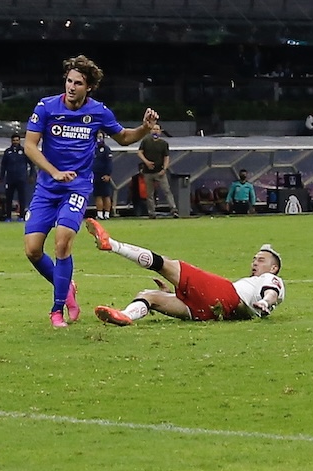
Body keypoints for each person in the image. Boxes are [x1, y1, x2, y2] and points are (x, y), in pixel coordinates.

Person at [23, 54, 157, 328]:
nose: (71, 87)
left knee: (62, 242)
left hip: (78, 187)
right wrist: (54, 172)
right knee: (33, 251)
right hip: (48, 188)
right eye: (69, 81)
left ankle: (57, 309)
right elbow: (29, 145)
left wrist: (144, 128)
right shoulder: (46, 107)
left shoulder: (98, 112)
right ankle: (67, 287)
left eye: (78, 83)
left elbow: (123, 138)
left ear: (89, 87)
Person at [85, 218, 284, 325]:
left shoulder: (271, 278)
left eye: (261, 260)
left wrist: (265, 302)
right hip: (214, 312)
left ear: (274, 268)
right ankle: (125, 316)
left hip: (226, 295)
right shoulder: (253, 284)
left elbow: (272, 292)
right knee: (150, 296)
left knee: (167, 265)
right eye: (254, 259)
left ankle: (112, 245)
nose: (254, 263)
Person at [137, 123, 178, 219]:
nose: (155, 131)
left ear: (160, 131)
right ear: (150, 131)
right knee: (149, 193)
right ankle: (151, 212)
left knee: (166, 190)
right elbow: (139, 153)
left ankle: (173, 209)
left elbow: (166, 157)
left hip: (160, 171)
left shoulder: (163, 144)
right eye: (154, 129)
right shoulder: (145, 141)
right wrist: (146, 162)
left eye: (157, 129)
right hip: (148, 172)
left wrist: (164, 169)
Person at [0, 134, 34, 222]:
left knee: (22, 198)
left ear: (19, 141)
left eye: (17, 140)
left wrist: (31, 175)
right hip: (10, 178)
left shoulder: (24, 151)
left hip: (21, 178)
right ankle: (8, 217)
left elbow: (32, 164)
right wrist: (1, 177)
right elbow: (3, 165)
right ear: (11, 141)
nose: (15, 142)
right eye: (14, 140)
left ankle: (21, 216)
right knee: (8, 198)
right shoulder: (8, 152)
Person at [92, 132, 114, 220]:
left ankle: (107, 214)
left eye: (101, 137)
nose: (99, 138)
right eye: (98, 137)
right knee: (98, 195)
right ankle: (100, 214)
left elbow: (109, 163)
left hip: (104, 174)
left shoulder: (106, 149)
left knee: (106, 195)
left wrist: (108, 174)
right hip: (95, 175)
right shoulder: (93, 149)